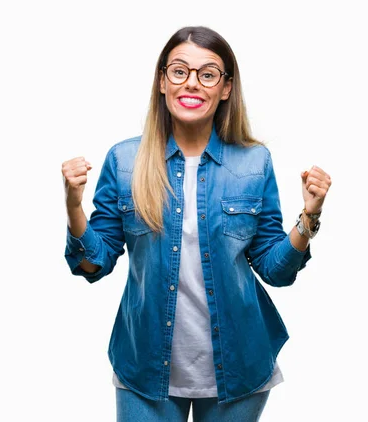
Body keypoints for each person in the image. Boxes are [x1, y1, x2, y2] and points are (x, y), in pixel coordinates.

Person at [61, 26, 332, 422]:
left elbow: (275, 271)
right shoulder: (124, 161)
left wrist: (309, 216)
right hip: (144, 366)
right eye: (179, 71)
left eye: (207, 74)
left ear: (225, 88)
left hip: (239, 368)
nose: (192, 83)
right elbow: (92, 265)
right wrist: (73, 206)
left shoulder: (253, 163)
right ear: (161, 81)